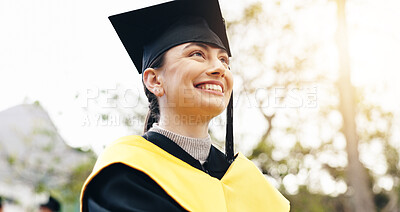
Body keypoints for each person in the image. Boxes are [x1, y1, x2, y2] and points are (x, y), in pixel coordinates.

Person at [80, 0, 290, 211]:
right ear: (154, 80)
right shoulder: (125, 174)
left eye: (224, 60)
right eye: (197, 54)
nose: (219, 68)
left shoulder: (250, 184)